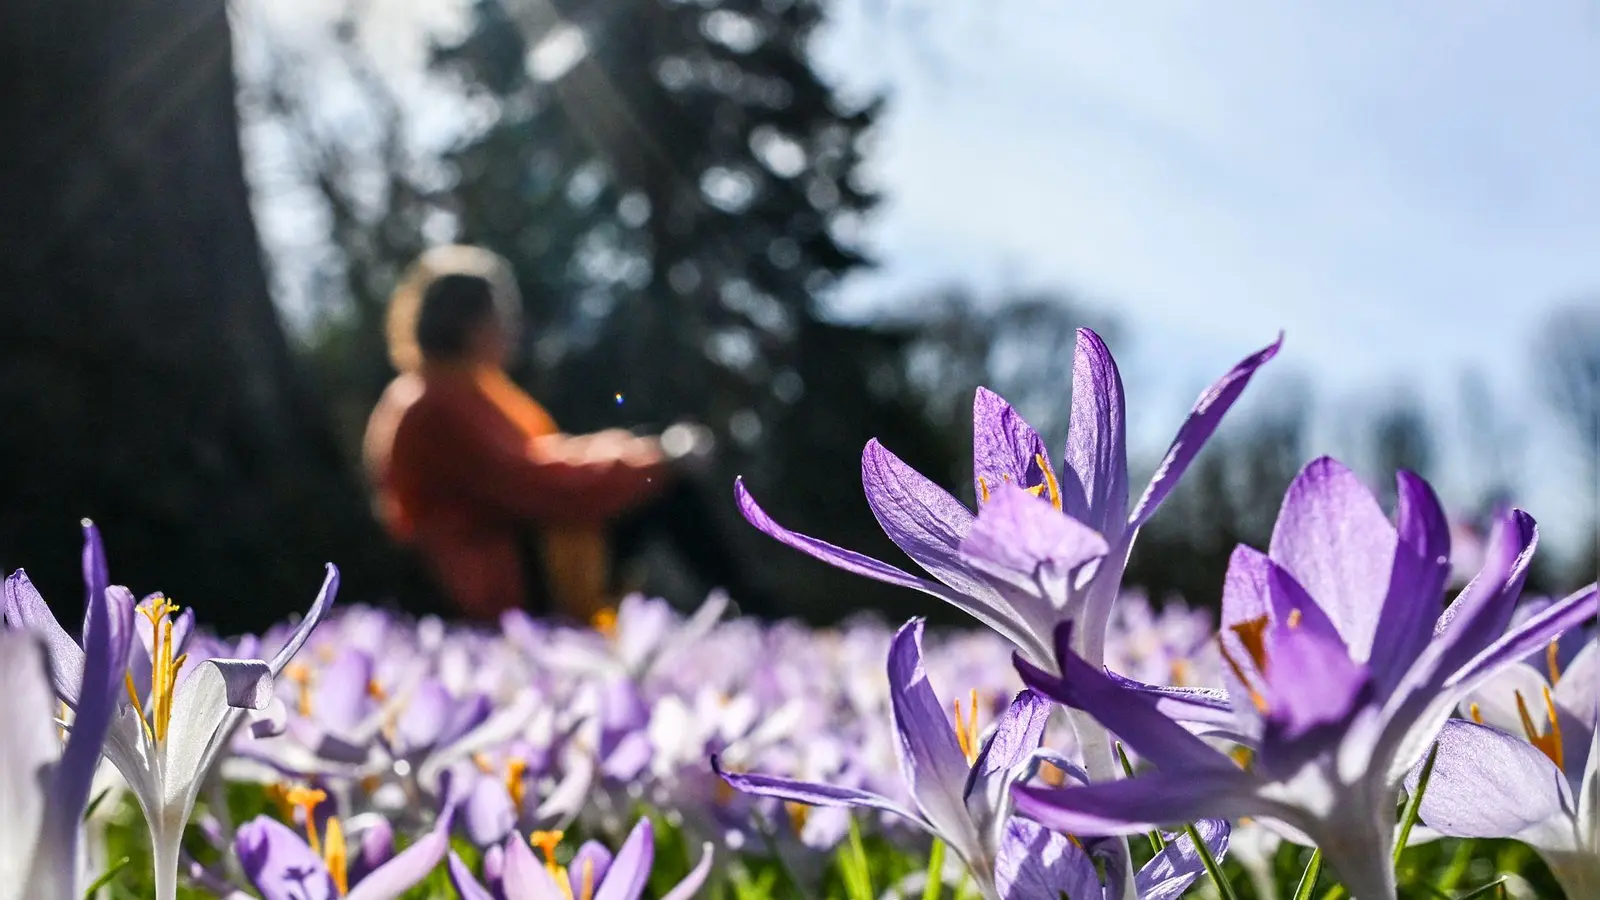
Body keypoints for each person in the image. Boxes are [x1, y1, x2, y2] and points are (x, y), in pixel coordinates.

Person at [363, 245, 760, 622]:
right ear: (468, 323)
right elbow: (538, 486)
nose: (513, 328)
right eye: (502, 314)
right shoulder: (434, 403)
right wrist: (659, 458)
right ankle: (760, 612)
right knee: (665, 489)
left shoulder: (457, 389)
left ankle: (746, 611)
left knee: (653, 476)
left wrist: (647, 451)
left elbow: (547, 459)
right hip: (495, 583)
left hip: (506, 564)